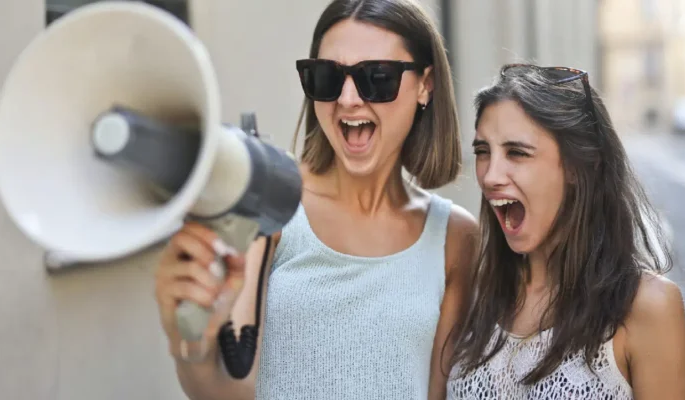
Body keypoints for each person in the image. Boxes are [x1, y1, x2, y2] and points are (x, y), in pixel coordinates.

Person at [153, 0, 479, 399]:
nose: (347, 99)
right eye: (326, 77)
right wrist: (191, 350)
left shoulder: (456, 238)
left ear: (425, 85)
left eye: (376, 77)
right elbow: (231, 389)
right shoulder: (274, 201)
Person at [445, 64, 685, 399]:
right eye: (482, 152)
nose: (490, 175)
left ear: (580, 166)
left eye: (516, 152)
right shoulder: (473, 293)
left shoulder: (648, 307)